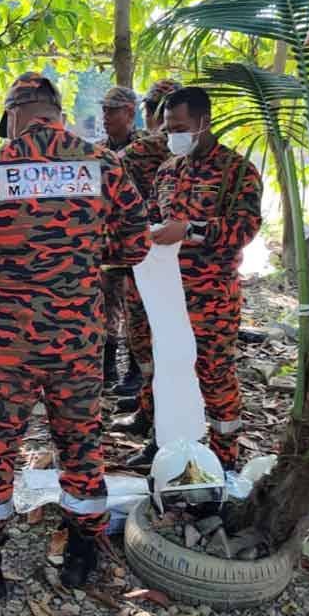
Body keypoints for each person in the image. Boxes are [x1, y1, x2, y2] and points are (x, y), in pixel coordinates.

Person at [0, 72, 149, 600]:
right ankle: (82, 554)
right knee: (81, 443)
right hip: (80, 336)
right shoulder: (104, 164)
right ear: (57, 112)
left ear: (16, 115)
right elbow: (136, 247)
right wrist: (83, 263)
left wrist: (10, 263)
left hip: (12, 341)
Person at [133, 86, 263, 471]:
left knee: (214, 373)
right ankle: (162, 449)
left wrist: (190, 230)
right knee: (165, 370)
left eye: (179, 127)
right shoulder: (168, 170)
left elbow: (245, 228)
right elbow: (155, 214)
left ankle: (224, 458)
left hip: (212, 296)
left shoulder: (237, 171)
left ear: (204, 122)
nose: (171, 135)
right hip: (167, 293)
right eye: (167, 127)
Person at [111, 79, 184, 451]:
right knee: (148, 344)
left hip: (156, 261)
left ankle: (161, 431)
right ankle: (148, 414)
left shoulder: (149, 148)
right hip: (155, 260)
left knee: (152, 346)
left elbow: (109, 168)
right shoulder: (180, 149)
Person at [97, 86, 147, 393]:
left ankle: (135, 372)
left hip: (135, 240)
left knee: (136, 308)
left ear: (130, 112)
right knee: (105, 305)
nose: (106, 117)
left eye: (112, 111)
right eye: (103, 110)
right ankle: (107, 369)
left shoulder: (148, 148)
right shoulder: (98, 149)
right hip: (106, 244)